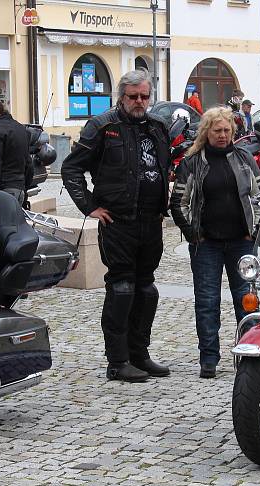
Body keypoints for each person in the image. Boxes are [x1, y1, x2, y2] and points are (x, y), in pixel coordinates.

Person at [61, 69, 171, 383]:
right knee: (121, 289)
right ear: (121, 96)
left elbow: (166, 166)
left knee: (146, 289)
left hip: (151, 222)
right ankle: (118, 360)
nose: (139, 101)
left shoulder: (157, 127)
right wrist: (90, 206)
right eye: (133, 96)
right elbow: (71, 169)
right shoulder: (102, 126)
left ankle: (140, 354)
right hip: (119, 222)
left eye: (144, 96)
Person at [170, 107, 260, 379]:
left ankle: (249, 353)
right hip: (207, 244)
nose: (222, 135)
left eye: (227, 130)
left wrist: (255, 230)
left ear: (233, 132)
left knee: (246, 301)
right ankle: (209, 358)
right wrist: (193, 233)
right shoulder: (192, 162)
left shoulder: (245, 158)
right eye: (217, 131)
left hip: (241, 242)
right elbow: (178, 202)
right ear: (206, 132)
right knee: (207, 301)